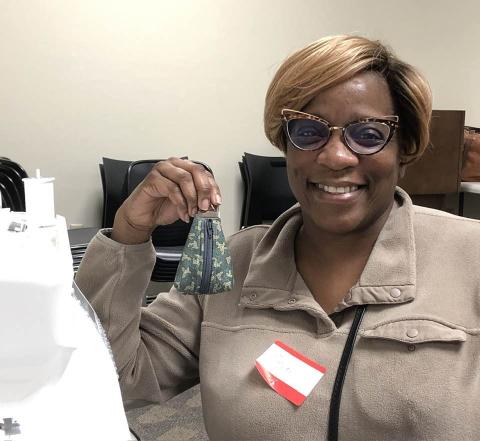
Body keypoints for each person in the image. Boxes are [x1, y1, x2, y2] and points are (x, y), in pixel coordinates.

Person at [76, 35, 480, 441]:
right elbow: (116, 379)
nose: (335, 156)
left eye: (369, 134)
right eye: (308, 131)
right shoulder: (233, 264)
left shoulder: (470, 259)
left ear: (403, 148)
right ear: (284, 143)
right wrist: (128, 234)